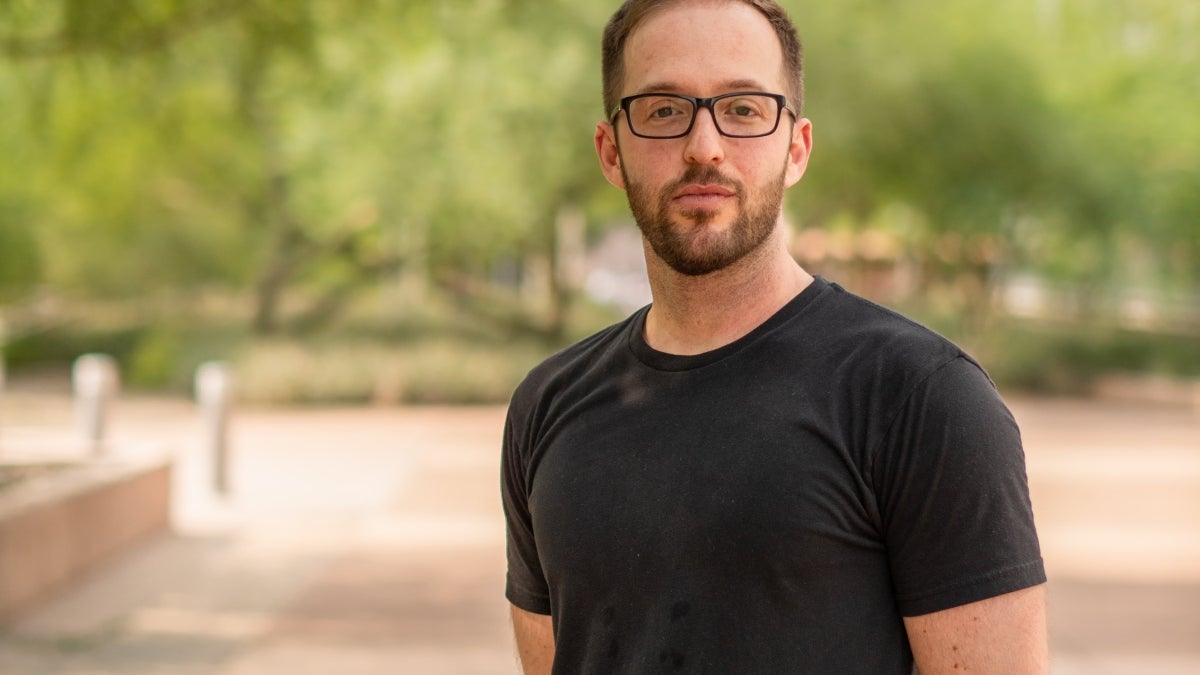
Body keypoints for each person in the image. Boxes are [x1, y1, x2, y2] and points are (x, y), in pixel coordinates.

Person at [501, 0, 1048, 672]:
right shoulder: (545, 407)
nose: (705, 147)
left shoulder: (922, 398)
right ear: (612, 152)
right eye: (664, 110)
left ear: (796, 148)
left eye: (744, 108)